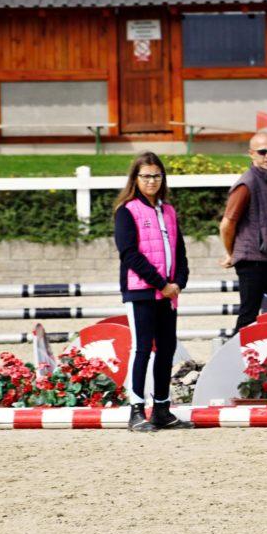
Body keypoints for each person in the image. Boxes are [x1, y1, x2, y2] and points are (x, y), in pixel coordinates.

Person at [113, 151, 193, 432]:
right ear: (136, 178)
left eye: (157, 176)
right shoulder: (127, 211)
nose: (152, 181)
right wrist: (161, 283)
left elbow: (180, 251)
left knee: (167, 349)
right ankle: (136, 410)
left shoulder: (168, 211)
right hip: (141, 291)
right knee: (142, 348)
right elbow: (129, 253)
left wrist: (179, 281)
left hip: (168, 293)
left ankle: (161, 409)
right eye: (146, 176)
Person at [219, 132, 267, 331]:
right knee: (249, 316)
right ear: (251, 154)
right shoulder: (246, 184)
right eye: (262, 152)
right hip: (251, 261)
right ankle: (235, 351)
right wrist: (231, 253)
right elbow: (226, 225)